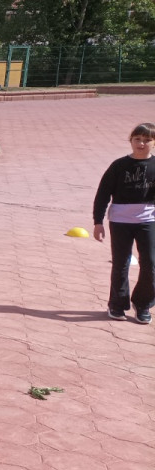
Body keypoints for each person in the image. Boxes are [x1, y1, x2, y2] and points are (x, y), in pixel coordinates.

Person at [92, 123, 155, 324]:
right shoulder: (119, 166)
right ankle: (117, 304)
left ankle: (143, 303)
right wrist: (98, 221)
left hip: (148, 220)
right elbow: (102, 194)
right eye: (137, 139)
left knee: (151, 264)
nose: (142, 143)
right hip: (120, 221)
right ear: (131, 141)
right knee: (121, 263)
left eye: (147, 139)